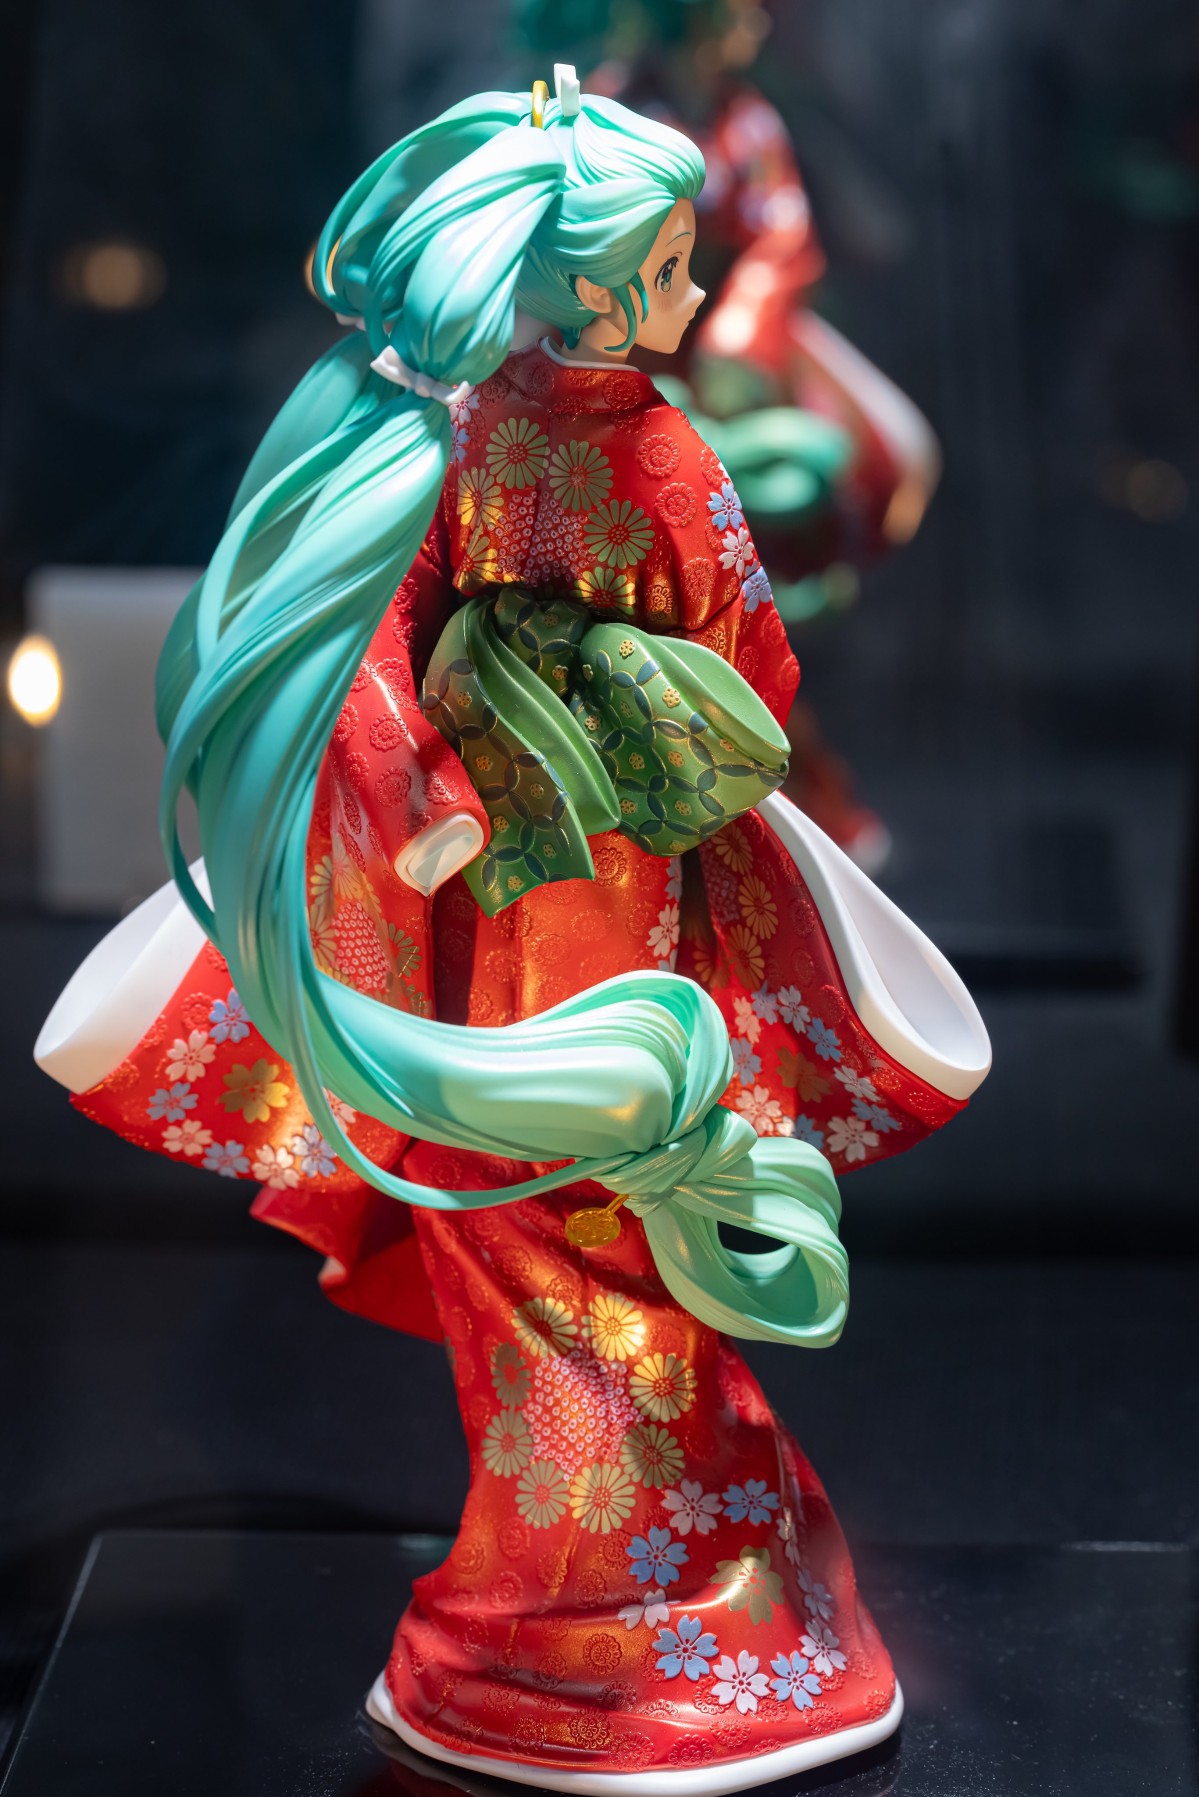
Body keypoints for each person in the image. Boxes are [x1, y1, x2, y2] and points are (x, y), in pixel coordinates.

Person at [36, 71, 989, 1791]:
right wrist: (638, 711)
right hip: (617, 909)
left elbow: (375, 650)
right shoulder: (662, 457)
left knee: (559, 1226)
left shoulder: (456, 442)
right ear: (589, 293)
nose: (688, 293)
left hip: (489, 922)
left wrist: (429, 786)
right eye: (666, 268)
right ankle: (643, 1608)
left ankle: (596, 1603)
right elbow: (756, 674)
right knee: (597, 1224)